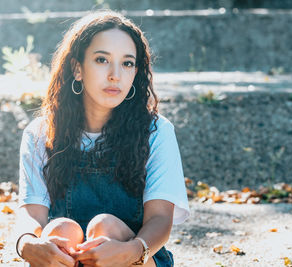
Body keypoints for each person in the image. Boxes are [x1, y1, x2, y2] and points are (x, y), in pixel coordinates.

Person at [15, 10, 190, 267]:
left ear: (135, 73)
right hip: (68, 259)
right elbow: (31, 214)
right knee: (60, 229)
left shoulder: (156, 131)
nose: (115, 75)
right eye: (101, 60)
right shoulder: (40, 133)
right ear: (77, 68)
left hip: (137, 256)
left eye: (127, 63)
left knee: (104, 225)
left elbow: (160, 219)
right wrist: (27, 244)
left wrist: (132, 251)